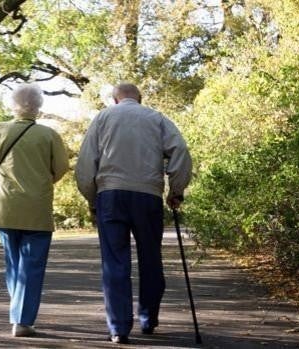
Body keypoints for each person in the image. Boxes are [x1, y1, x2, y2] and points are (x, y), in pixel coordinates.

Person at [75, 82, 192, 344]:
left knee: (114, 261)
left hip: (111, 195)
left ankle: (118, 328)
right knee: (150, 257)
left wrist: (92, 198)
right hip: (148, 195)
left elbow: (85, 162)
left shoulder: (103, 118)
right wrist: (176, 190)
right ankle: (148, 319)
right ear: (139, 98)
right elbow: (180, 151)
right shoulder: (157, 118)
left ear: (115, 100)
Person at [0, 83, 69, 337]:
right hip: (37, 207)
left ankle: (19, 312)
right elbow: (62, 167)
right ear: (39, 106)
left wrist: (2, 182)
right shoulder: (49, 135)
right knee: (32, 265)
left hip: (4, 205)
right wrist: (42, 181)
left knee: (13, 262)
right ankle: (21, 319)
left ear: (13, 105)